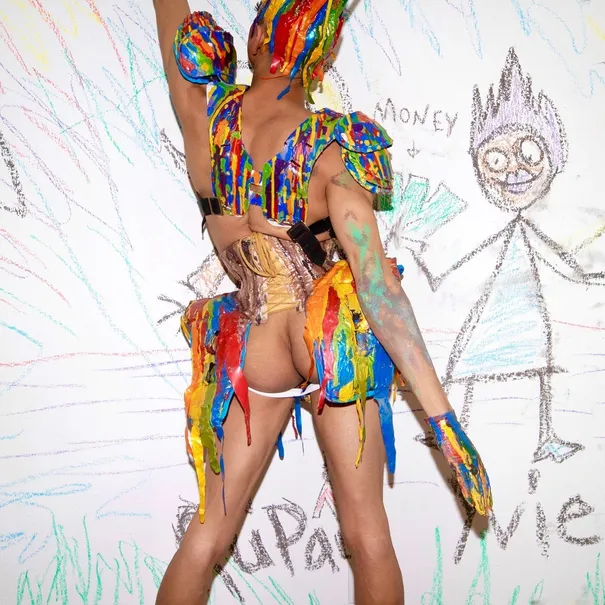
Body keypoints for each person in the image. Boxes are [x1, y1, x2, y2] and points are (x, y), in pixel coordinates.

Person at [153, 1, 492, 603]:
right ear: (322, 54)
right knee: (369, 538)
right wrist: (445, 424)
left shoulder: (206, 119)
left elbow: (171, 14)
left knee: (206, 539)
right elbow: (377, 286)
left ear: (255, 38)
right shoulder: (333, 148)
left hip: (255, 340)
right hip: (327, 337)